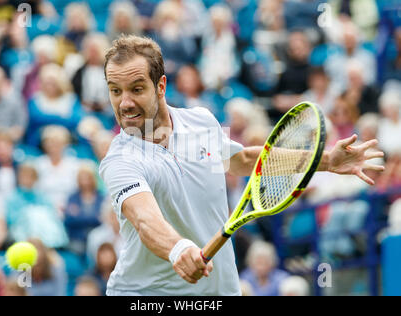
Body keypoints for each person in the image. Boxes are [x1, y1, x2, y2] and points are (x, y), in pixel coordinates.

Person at [99, 35, 384, 296]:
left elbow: (244, 160)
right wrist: (178, 249)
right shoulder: (121, 160)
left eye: (136, 89)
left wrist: (326, 161)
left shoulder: (200, 121)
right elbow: (145, 220)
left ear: (160, 86)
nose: (124, 103)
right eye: (115, 91)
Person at [64, 163, 104, 256]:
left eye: (87, 177)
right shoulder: (72, 197)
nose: (85, 181)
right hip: (77, 238)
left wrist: (79, 215)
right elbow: (69, 220)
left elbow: (103, 219)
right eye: (82, 177)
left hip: (98, 237)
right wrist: (93, 218)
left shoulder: (100, 196)